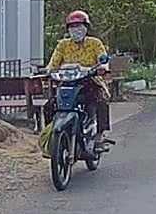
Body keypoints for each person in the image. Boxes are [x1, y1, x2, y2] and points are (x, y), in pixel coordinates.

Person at [46, 10, 112, 150]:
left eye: (79, 25)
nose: (76, 29)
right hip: (66, 83)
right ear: (68, 29)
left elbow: (103, 59)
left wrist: (102, 68)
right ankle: (50, 136)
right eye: (72, 26)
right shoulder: (63, 45)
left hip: (90, 81)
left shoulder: (95, 43)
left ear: (86, 27)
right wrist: (49, 70)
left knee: (100, 101)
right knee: (50, 105)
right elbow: (53, 63)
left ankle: (99, 135)